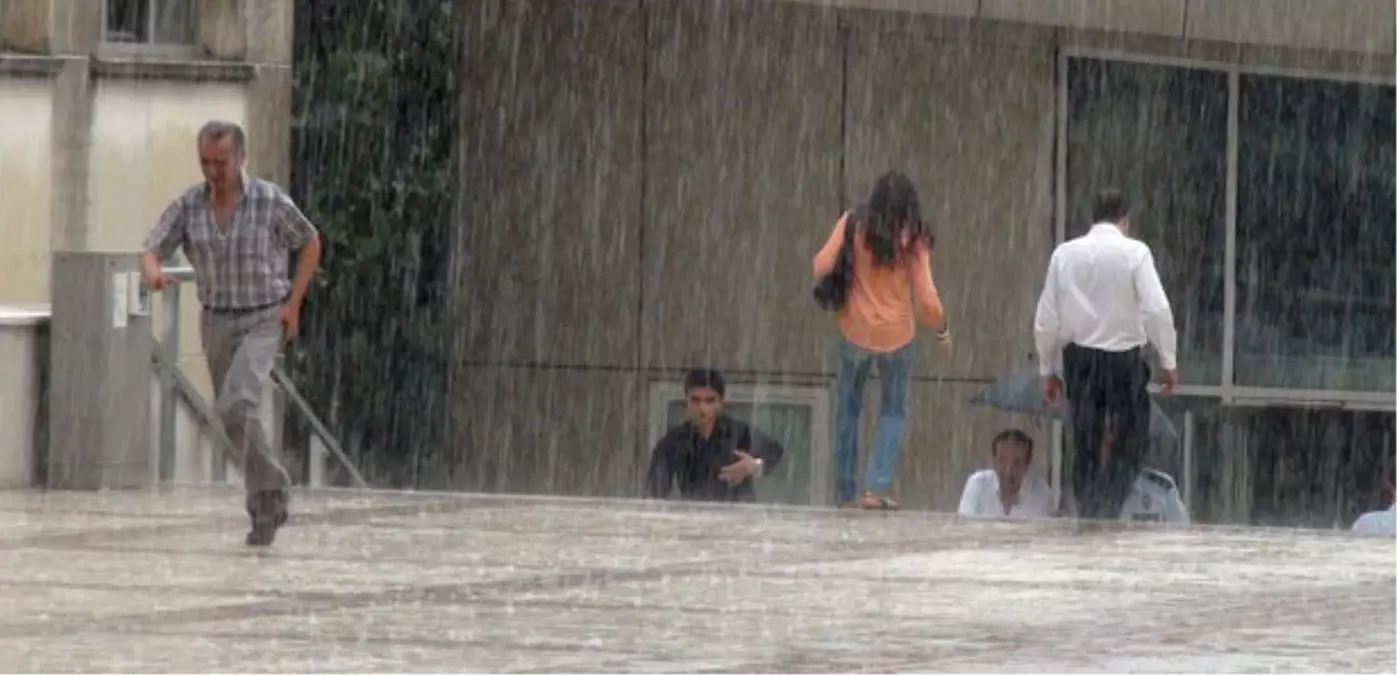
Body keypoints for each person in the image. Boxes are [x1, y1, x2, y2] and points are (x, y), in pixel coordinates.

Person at [140, 120, 322, 547]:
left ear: (241, 158)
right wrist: (154, 274)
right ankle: (267, 505)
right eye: (205, 162)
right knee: (232, 415)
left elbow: (310, 242)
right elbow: (152, 247)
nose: (213, 171)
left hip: (263, 316)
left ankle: (270, 491)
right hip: (217, 318)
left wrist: (294, 303)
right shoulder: (190, 205)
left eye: (221, 162)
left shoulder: (269, 200)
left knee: (240, 400)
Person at [1033, 188, 1178, 520]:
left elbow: (1046, 318)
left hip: (1080, 359)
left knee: (1085, 438)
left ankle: (1088, 509)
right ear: (1124, 219)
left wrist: (1046, 368)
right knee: (1131, 437)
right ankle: (1109, 504)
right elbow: (1157, 310)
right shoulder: (1135, 253)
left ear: (1092, 217)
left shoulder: (1064, 255)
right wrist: (1168, 360)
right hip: (1123, 359)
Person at [813, 171, 950, 511]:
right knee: (892, 411)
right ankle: (874, 489)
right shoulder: (914, 239)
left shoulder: (853, 223)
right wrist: (943, 331)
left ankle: (845, 494)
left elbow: (821, 265)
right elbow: (927, 299)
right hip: (897, 337)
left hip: (854, 331)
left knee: (848, 409)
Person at [644, 369, 785, 503]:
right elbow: (655, 488)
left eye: (709, 400)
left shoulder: (739, 432)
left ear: (721, 403)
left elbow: (774, 451)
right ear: (686, 401)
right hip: (695, 515)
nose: (702, 408)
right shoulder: (674, 440)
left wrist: (754, 466)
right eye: (695, 400)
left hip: (739, 517)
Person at [957, 429, 1054, 519]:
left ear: (1027, 464)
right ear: (994, 461)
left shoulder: (1040, 492)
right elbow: (964, 528)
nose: (1008, 471)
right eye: (1002, 461)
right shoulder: (978, 484)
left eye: (1017, 463)